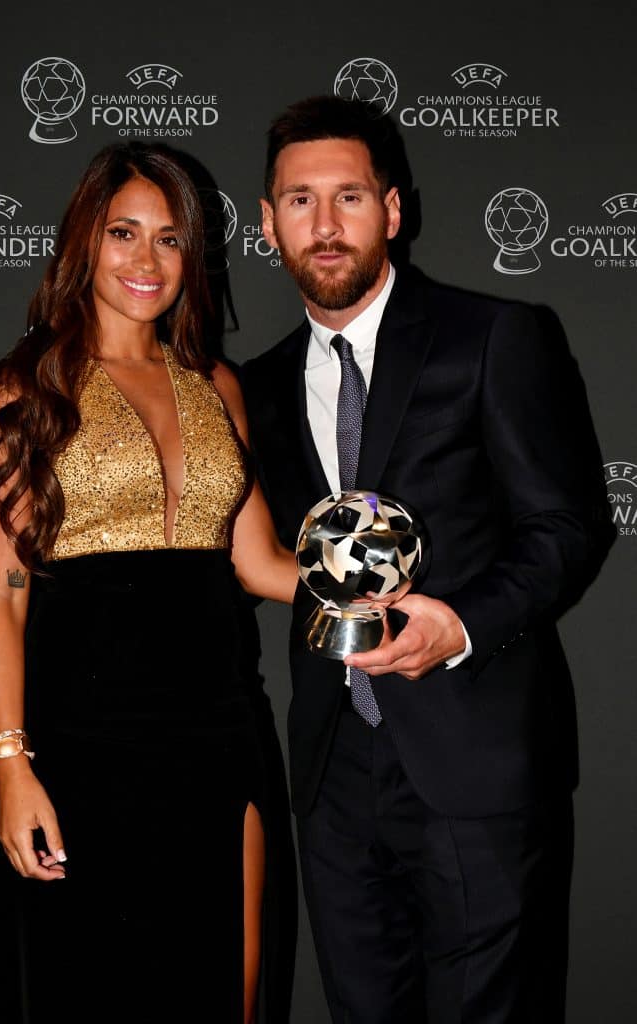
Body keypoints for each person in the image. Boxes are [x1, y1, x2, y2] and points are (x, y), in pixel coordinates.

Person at [242, 96, 615, 1023]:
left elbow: (567, 528)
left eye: (349, 199)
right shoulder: (252, 387)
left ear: (393, 210)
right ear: (266, 221)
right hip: (333, 778)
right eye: (299, 201)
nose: (324, 227)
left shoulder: (494, 337)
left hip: (475, 763)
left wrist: (458, 623)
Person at [0, 141, 297, 1024]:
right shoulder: (28, 389)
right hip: (82, 750)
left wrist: (381, 587)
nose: (147, 261)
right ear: (85, 240)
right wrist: (12, 768)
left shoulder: (216, 385)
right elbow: (1, 591)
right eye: (124, 233)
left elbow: (260, 563)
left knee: (228, 988)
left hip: (222, 736)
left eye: (170, 238)